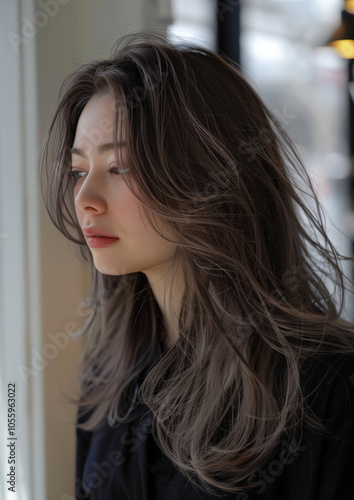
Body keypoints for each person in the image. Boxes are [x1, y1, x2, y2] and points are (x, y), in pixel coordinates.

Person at [38, 30, 354, 499]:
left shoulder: (330, 388)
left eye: (120, 168)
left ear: (208, 174)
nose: (85, 200)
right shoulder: (109, 376)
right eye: (80, 171)